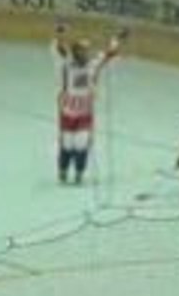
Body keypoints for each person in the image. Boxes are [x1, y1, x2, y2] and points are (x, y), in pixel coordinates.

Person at [51, 23, 126, 184]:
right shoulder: (66, 64)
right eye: (81, 51)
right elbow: (59, 48)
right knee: (67, 144)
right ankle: (63, 170)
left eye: (86, 51)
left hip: (85, 114)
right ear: (75, 52)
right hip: (67, 112)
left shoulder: (93, 65)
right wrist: (60, 32)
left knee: (81, 143)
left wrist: (118, 38)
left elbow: (109, 53)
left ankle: (79, 172)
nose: (85, 54)